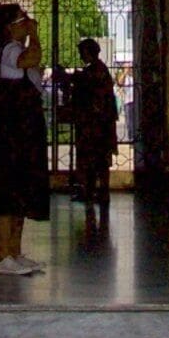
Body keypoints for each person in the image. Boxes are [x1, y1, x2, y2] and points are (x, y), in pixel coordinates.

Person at [0, 3, 49, 277]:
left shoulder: (13, 48)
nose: (27, 22)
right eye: (21, 20)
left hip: (23, 129)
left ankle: (14, 251)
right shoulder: (7, 50)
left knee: (22, 189)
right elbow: (32, 58)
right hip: (12, 131)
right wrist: (35, 35)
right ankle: (2, 253)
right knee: (8, 190)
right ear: (9, 26)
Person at [65, 37, 119, 214]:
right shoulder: (98, 70)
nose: (81, 56)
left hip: (95, 124)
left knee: (93, 159)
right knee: (98, 160)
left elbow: (85, 86)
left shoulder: (96, 71)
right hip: (100, 123)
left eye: (82, 52)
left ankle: (93, 192)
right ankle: (97, 192)